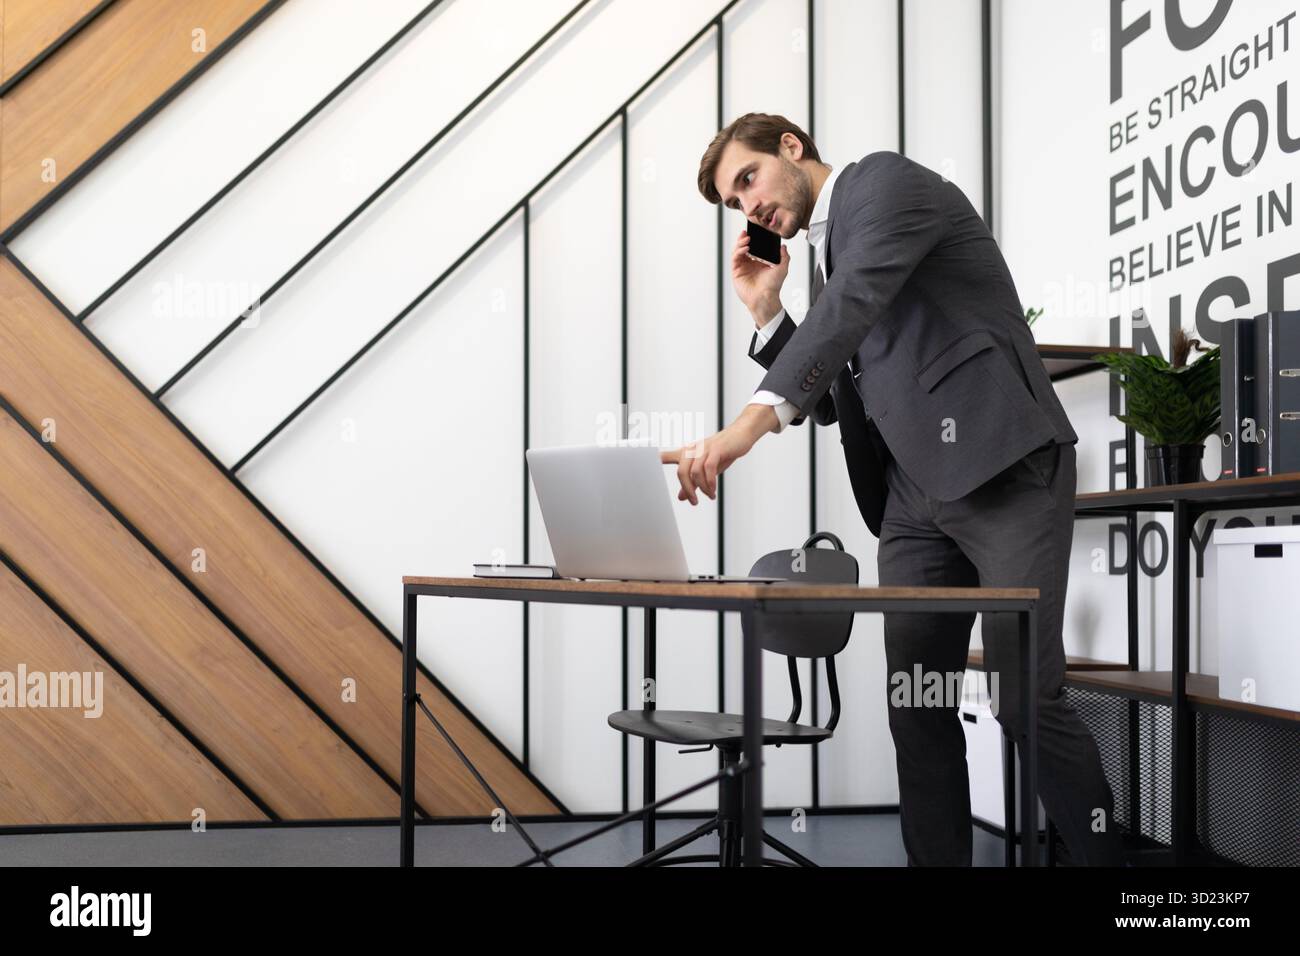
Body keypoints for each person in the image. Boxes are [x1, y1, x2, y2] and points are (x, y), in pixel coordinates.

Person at [661, 112, 1124, 866]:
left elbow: (848, 313)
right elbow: (841, 390)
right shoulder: (820, 260)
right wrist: (768, 313)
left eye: (748, 180)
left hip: (1004, 467)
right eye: (735, 205)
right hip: (912, 502)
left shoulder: (884, 185)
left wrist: (744, 428)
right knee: (919, 702)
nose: (750, 209)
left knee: (1024, 699)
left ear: (791, 146)